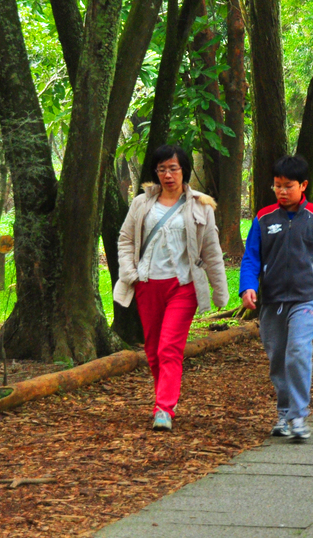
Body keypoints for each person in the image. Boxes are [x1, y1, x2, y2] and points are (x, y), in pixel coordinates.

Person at [114, 144, 229, 431]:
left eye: (173, 168)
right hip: (147, 283)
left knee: (169, 348)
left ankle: (163, 408)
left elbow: (211, 250)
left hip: (183, 286)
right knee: (153, 350)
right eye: (162, 168)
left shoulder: (201, 205)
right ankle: (165, 397)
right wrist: (129, 271)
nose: (168, 175)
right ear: (156, 171)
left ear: (184, 171)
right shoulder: (142, 203)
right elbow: (125, 239)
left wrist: (219, 290)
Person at [240, 156, 313, 441]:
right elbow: (252, 257)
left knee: (298, 351)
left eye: (288, 186)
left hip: (307, 297)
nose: (281, 191)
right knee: (278, 357)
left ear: (303, 185)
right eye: (277, 186)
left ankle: (299, 417)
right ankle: (285, 413)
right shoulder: (264, 218)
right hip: (272, 299)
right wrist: (247, 287)